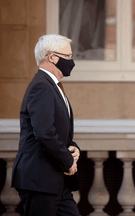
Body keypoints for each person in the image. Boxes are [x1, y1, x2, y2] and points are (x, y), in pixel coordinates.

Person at [11, 34, 81, 216]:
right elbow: (44, 133)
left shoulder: (52, 85)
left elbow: (55, 129)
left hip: (56, 182)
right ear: (52, 57)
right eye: (68, 57)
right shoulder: (41, 86)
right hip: (40, 180)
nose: (72, 62)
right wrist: (67, 161)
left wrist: (72, 148)